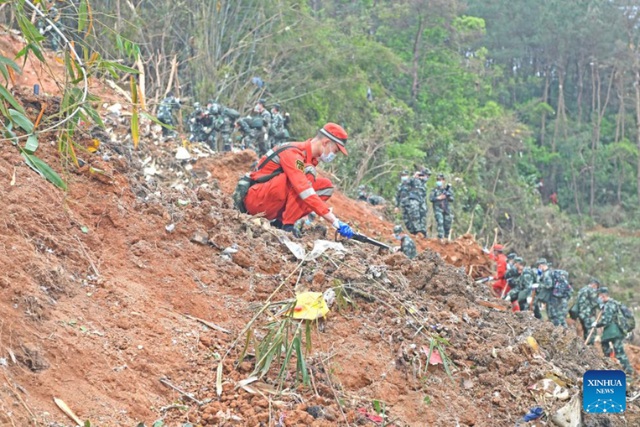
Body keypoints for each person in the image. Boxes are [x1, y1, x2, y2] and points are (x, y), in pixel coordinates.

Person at [243, 123, 354, 238]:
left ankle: (280, 222)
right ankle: (287, 226)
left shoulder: (307, 158)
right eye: (335, 151)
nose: (333, 155)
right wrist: (334, 220)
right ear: (325, 142)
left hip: (271, 202)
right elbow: (303, 188)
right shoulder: (293, 153)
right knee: (306, 175)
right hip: (257, 200)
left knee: (326, 187)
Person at [594, 287, 634, 375]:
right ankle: (625, 369)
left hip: (612, 331)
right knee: (618, 350)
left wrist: (596, 324)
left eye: (599, 296)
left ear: (603, 295)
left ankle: (610, 365)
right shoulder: (614, 303)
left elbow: (606, 320)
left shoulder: (608, 305)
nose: (598, 298)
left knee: (613, 349)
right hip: (618, 331)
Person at [396, 170, 428, 238]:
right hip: (403, 204)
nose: (404, 177)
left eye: (405, 175)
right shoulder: (402, 184)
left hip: (412, 203)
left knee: (415, 218)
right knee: (407, 221)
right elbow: (398, 195)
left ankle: (419, 233)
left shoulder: (416, 182)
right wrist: (396, 205)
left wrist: (418, 177)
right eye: (403, 175)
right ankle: (413, 233)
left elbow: (424, 180)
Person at [573, 278, 601, 345]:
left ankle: (586, 346)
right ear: (595, 285)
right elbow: (595, 303)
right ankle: (589, 346)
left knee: (586, 330)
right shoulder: (591, 291)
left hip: (581, 314)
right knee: (591, 331)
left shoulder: (582, 289)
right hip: (588, 314)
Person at [429, 174, 454, 239]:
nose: (439, 181)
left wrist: (447, 196)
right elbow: (431, 198)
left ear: (443, 180)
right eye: (438, 180)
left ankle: (446, 238)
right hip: (438, 209)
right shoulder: (434, 190)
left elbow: (452, 199)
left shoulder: (448, 190)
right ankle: (440, 238)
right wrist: (438, 198)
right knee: (440, 222)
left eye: (440, 180)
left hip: (446, 209)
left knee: (447, 224)